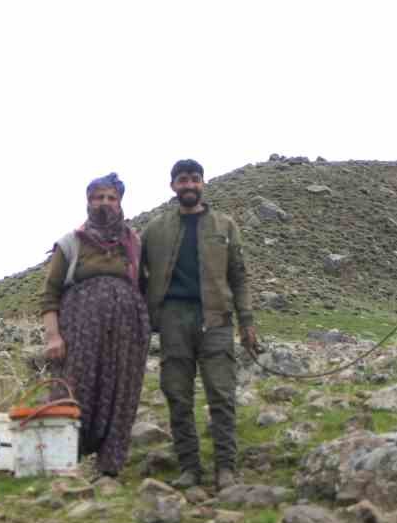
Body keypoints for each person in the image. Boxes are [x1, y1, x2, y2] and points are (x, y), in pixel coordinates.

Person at [140, 158, 259, 490]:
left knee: (221, 394)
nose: (188, 185)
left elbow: (239, 277)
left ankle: (226, 467)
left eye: (194, 179)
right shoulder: (154, 230)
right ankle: (190, 467)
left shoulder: (225, 226)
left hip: (217, 320)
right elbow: (137, 274)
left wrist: (247, 321)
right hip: (173, 319)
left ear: (203, 183)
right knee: (177, 394)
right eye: (182, 180)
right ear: (173, 186)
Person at [41, 173, 150, 478]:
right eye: (98, 197)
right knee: (75, 387)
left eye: (111, 198)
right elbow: (50, 293)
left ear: (120, 202)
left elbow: (142, 284)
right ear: (88, 202)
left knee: (122, 391)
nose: (104, 203)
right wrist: (53, 336)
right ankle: (64, 459)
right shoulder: (70, 242)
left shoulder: (134, 242)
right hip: (80, 329)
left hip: (127, 331)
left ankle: (109, 465)